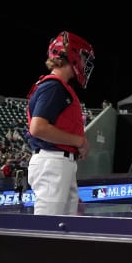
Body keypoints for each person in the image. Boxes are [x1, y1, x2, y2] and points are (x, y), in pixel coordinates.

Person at [25, 31, 94, 215]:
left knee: (64, 230)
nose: (84, 62)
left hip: (59, 162)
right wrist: (79, 141)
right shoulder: (54, 86)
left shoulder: (58, 87)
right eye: (82, 55)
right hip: (52, 161)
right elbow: (38, 128)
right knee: (47, 231)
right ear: (70, 54)